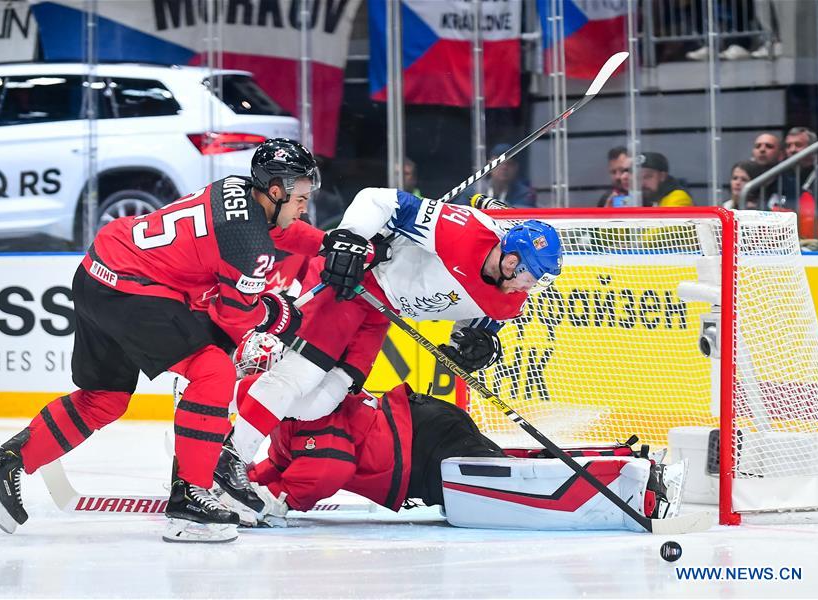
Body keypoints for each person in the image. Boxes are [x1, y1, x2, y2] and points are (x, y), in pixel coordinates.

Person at [0, 138, 322, 543]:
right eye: (302, 198)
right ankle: (189, 500)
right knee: (212, 370)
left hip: (98, 271)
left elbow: (276, 233)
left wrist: (325, 244)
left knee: (105, 398)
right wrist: (278, 314)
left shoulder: (235, 188)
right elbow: (234, 317)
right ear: (276, 190)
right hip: (133, 289)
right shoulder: (250, 242)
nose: (304, 207)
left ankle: (6, 462)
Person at [213, 187, 564, 503]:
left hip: (382, 311)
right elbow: (378, 199)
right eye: (529, 279)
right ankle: (229, 460)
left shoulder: (511, 297)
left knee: (323, 399)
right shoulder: (462, 230)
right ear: (512, 261)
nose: (527, 289)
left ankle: (226, 421)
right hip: (355, 280)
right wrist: (353, 240)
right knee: (301, 374)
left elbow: (479, 324)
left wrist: (473, 345)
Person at [223, 332, 680, 533]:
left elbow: (327, 467)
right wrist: (246, 481)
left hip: (425, 448)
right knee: (503, 471)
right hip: (421, 432)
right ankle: (619, 464)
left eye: (255, 374)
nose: (252, 383)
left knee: (513, 487)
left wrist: (274, 499)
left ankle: (630, 480)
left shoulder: (303, 409)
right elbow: (285, 459)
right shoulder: (294, 413)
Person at [769, 127, 818, 243]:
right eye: (788, 146)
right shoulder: (780, 175)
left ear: (812, 149)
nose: (792, 150)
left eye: (798, 145)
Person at [478, 143, 536, 207]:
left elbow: (520, 213)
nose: (504, 167)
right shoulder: (475, 191)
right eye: (499, 163)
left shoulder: (525, 194)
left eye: (509, 163)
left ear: (516, 167)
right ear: (489, 166)